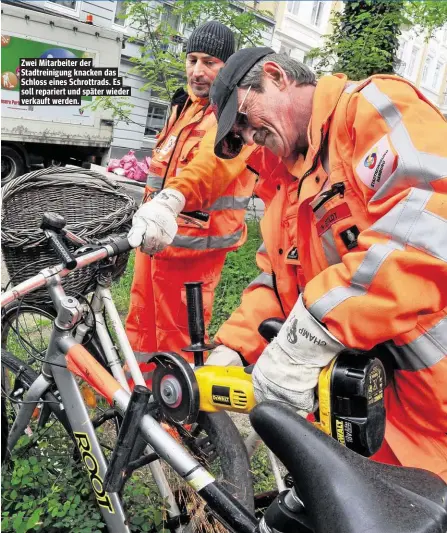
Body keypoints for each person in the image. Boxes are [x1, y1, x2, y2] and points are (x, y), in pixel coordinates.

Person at [207, 47, 447, 481]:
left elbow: (428, 228)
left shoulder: (370, 110)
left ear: (277, 76)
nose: (247, 136)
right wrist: (236, 346)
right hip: (363, 414)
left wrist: (314, 330)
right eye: (238, 133)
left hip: (434, 414)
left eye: (244, 117)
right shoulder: (285, 184)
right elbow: (277, 280)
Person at [126, 22, 260, 367]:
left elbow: (210, 168)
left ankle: (175, 419)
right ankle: (136, 400)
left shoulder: (234, 115)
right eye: (192, 59)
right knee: (140, 325)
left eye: (209, 62)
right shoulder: (183, 107)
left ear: (226, 67)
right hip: (154, 241)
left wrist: (170, 201)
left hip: (193, 252)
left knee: (178, 337)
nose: (197, 71)